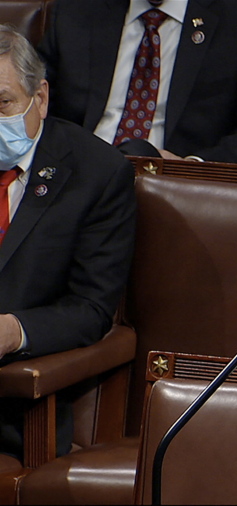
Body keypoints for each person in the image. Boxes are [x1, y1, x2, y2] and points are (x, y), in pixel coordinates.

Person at [0, 25, 137, 460]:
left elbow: (91, 308)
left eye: (1, 103)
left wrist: (14, 331)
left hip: (12, 400)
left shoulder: (97, 173)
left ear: (39, 97)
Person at [36, 0, 237, 165]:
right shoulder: (78, 10)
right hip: (77, 173)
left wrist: (192, 166)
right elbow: (34, 101)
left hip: (175, 186)